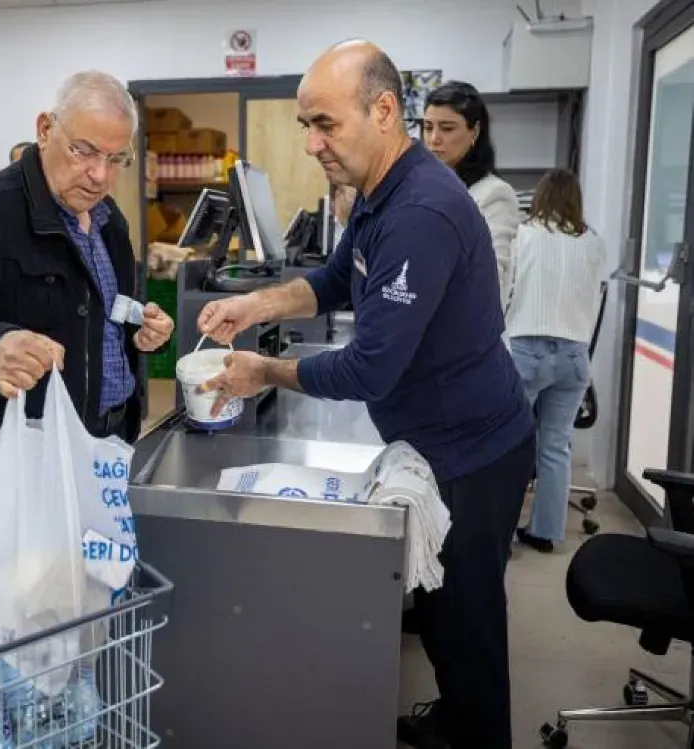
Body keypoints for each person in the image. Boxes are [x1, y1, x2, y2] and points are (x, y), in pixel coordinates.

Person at [196, 40, 535, 749]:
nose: (314, 144)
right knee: (441, 616)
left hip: (473, 453)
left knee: (468, 627)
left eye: (326, 124)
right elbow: (334, 281)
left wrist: (264, 373)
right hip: (438, 438)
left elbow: (368, 370)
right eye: (305, 127)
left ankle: (477, 732)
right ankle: (452, 717)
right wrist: (257, 305)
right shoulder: (380, 197)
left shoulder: (420, 211)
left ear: (384, 110)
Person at [0, 71, 175, 463]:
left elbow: (103, 309)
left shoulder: (110, 218)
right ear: (45, 129)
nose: (100, 176)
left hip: (113, 437)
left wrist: (138, 325)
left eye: (115, 159)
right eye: (85, 151)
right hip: (31, 452)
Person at [506, 169, 607, 553]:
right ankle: (545, 532)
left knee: (511, 444)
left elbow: (507, 287)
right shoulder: (595, 243)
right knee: (555, 446)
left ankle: (501, 532)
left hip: (527, 351)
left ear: (540, 199)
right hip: (574, 357)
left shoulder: (523, 234)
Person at [423, 81, 521, 311]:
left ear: (474, 132)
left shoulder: (494, 195)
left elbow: (490, 283)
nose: (434, 139)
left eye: (447, 128)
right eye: (428, 127)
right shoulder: (425, 191)